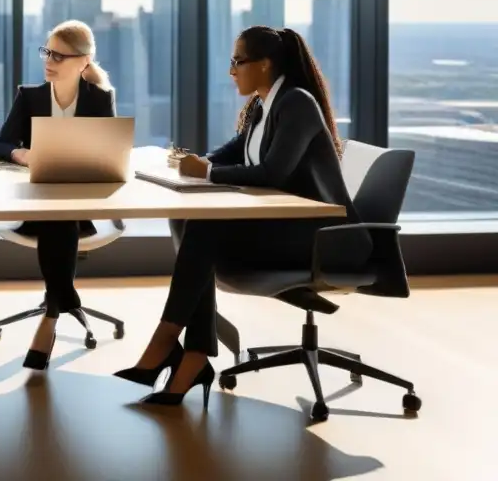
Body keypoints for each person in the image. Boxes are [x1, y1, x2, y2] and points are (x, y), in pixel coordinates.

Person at [116, 25, 368, 407]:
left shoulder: (296, 102)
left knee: (203, 231)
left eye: (238, 62)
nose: (231, 71)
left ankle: (170, 342)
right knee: (190, 222)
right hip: (284, 229)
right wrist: (194, 163)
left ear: (264, 65)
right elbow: (230, 153)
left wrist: (208, 172)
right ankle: (192, 358)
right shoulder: (261, 106)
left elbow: (273, 172)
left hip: (321, 238)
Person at [0, 20, 116, 370]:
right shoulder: (29, 96)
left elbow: (108, 151)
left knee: (60, 216)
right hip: (36, 203)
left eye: (60, 56)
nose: (49, 60)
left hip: (81, 206)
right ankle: (58, 304)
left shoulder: (99, 99)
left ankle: (51, 312)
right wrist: (23, 154)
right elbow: (0, 144)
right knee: (54, 216)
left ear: (84, 61)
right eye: (47, 52)